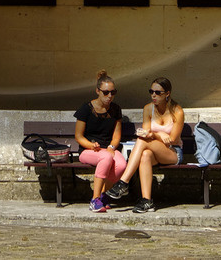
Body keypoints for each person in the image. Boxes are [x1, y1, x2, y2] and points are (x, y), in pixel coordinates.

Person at [106, 76, 183, 212]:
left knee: (142, 142)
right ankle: (147, 201)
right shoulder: (148, 109)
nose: (153, 95)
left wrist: (154, 135)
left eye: (158, 93)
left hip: (172, 152)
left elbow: (172, 139)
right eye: (151, 91)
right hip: (152, 150)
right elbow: (145, 133)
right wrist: (156, 135)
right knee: (145, 155)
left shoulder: (177, 111)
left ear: (167, 94)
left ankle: (123, 182)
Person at [73, 70, 125, 212]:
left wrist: (112, 146)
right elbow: (78, 136)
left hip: (107, 149)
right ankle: (95, 200)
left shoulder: (115, 109)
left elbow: (116, 135)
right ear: (97, 91)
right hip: (88, 150)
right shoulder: (86, 108)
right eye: (106, 92)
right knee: (106, 157)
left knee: (121, 165)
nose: (109, 96)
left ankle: (102, 195)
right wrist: (90, 145)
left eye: (113, 93)